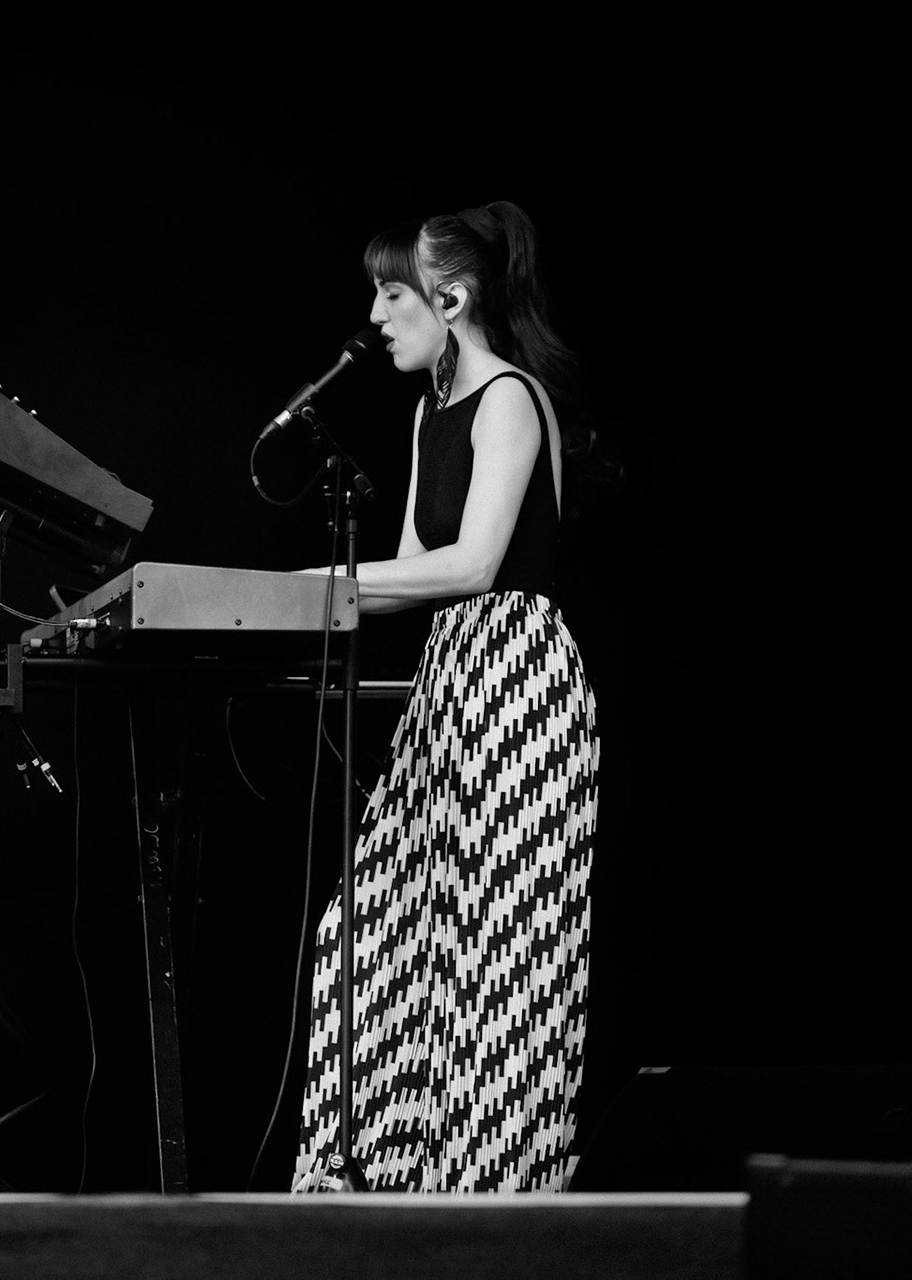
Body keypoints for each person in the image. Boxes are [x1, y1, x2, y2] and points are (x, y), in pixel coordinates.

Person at [292, 202, 599, 1193]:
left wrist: (327, 586)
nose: (378, 315)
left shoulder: (511, 395)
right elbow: (414, 565)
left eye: (392, 292)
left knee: (501, 950)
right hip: (451, 676)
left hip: (517, 672)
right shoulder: (433, 407)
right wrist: (304, 592)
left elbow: (472, 565)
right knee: (378, 923)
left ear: (452, 295)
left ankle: (501, 1195)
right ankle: (389, 1184)